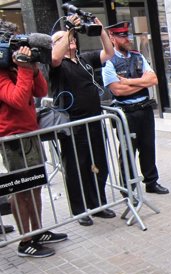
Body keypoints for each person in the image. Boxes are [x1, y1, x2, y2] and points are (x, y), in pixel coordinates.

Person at [0, 29, 67, 256]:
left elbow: (41, 90)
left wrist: (33, 66)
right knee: (20, 190)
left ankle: (38, 231)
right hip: (12, 140)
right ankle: (25, 240)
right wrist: (24, 68)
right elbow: (18, 100)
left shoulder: (19, 68)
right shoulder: (1, 73)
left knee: (35, 185)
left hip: (30, 134)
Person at [51, 14, 116, 226]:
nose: (70, 40)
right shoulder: (56, 65)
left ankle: (97, 204)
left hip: (94, 121)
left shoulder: (84, 59)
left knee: (98, 164)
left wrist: (101, 31)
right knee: (76, 169)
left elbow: (109, 53)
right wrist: (68, 29)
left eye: (71, 37)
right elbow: (54, 58)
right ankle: (80, 211)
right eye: (63, 38)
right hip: (73, 125)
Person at [102, 21, 169, 196]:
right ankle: (127, 186)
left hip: (144, 109)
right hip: (125, 113)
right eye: (122, 36)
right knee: (127, 149)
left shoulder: (137, 56)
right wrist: (141, 83)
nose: (127, 38)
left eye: (127, 35)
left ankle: (151, 182)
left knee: (148, 147)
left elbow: (153, 80)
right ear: (112, 38)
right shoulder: (108, 61)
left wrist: (128, 82)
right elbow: (117, 89)